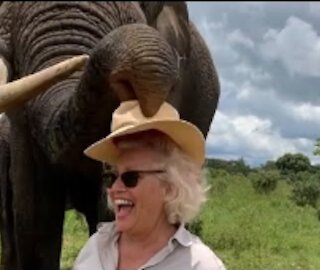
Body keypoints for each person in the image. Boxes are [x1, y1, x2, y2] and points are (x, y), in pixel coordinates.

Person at [73, 100, 225, 270]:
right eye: (111, 177)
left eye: (131, 178)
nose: (114, 189)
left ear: (170, 187)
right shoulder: (96, 247)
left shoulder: (199, 264)